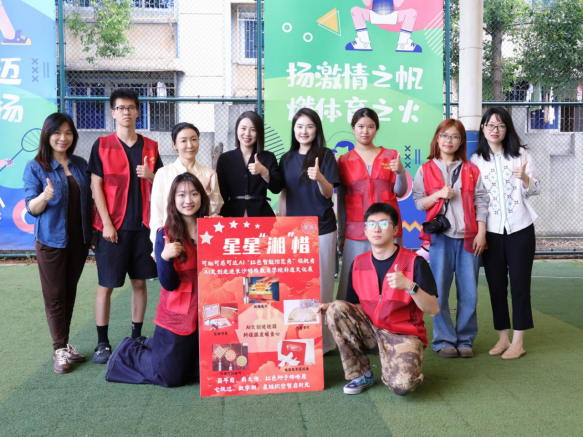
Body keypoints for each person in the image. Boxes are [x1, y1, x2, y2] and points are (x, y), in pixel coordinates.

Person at [321, 203, 438, 396]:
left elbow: (433, 309)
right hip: (371, 329)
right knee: (336, 308)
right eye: (371, 224)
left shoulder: (414, 262)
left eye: (384, 224)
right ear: (365, 230)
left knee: (403, 386)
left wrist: (410, 286)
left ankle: (394, 364)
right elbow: (354, 306)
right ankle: (362, 374)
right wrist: (332, 307)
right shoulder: (358, 263)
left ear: (395, 229)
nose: (376, 229)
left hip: (403, 335)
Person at [106, 173, 208, 387]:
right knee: (170, 377)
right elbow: (169, 284)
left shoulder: (214, 228)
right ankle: (129, 350)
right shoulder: (165, 234)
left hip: (209, 313)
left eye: (194, 194)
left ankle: (153, 345)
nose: (188, 200)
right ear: (173, 199)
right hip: (179, 314)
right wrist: (165, 259)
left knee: (204, 371)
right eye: (181, 195)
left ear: (202, 196)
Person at [88, 88, 163, 364]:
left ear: (138, 111)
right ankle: (102, 343)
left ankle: (136, 337)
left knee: (140, 283)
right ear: (113, 113)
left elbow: (163, 184)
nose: (126, 112)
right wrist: (107, 224)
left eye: (131, 107)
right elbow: (96, 186)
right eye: (120, 108)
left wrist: (151, 175)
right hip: (113, 229)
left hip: (143, 227)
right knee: (106, 285)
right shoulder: (102, 144)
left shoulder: (151, 147)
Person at [412, 119, 489, 358]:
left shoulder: (471, 169)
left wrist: (481, 232)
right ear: (437, 139)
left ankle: (465, 340)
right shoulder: (425, 169)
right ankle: (444, 340)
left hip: (469, 238)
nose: (449, 140)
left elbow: (481, 201)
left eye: (455, 136)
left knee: (469, 292)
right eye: (445, 135)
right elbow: (419, 203)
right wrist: (438, 194)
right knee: (440, 291)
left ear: (461, 141)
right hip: (440, 239)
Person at [23, 113, 92, 374]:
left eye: (68, 133)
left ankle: (64, 343)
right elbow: (32, 208)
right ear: (47, 135)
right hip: (51, 240)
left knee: (69, 292)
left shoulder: (80, 164)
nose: (63, 138)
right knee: (54, 295)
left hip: (79, 240)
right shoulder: (35, 167)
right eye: (57, 133)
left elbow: (90, 199)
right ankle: (59, 348)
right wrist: (45, 195)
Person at [471, 107, 540, 360]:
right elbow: (477, 198)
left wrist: (525, 179)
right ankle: (503, 339)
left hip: (520, 227)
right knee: (496, 285)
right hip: (490, 231)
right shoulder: (476, 160)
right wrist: (480, 230)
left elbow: (535, 188)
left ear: (507, 128)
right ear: (483, 128)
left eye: (500, 125)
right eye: (490, 125)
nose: (495, 130)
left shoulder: (521, 155)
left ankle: (518, 342)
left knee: (520, 285)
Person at [278, 108, 340, 354]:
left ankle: (325, 342)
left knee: (322, 285)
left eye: (309, 126)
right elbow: (284, 194)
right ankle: (301, 337)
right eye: (299, 126)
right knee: (296, 285)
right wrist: (283, 225)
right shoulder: (286, 159)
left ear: (317, 130)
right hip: (294, 232)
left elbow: (329, 193)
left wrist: (319, 177)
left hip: (322, 228)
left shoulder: (326, 155)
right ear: (294, 129)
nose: (304, 131)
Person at [337, 107, 407, 300]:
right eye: (360, 126)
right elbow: (341, 201)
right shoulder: (343, 161)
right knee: (353, 281)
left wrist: (400, 172)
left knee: (391, 281)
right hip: (356, 231)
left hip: (387, 230)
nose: (365, 131)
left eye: (370, 126)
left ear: (376, 129)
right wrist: (342, 235)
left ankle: (392, 316)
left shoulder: (391, 156)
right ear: (353, 128)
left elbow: (400, 192)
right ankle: (350, 317)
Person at [150, 122, 223, 247]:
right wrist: (158, 247)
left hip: (203, 241)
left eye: (194, 139)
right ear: (174, 144)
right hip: (172, 242)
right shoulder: (163, 173)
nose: (190, 145)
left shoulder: (209, 174)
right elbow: (157, 215)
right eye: (183, 141)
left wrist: (208, 193)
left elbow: (213, 212)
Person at [216, 111, 283, 217]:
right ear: (237, 130)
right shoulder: (225, 159)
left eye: (253, 129)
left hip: (261, 215)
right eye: (243, 128)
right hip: (231, 215)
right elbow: (220, 192)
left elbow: (277, 188)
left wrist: (264, 172)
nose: (247, 133)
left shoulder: (268, 157)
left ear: (259, 133)